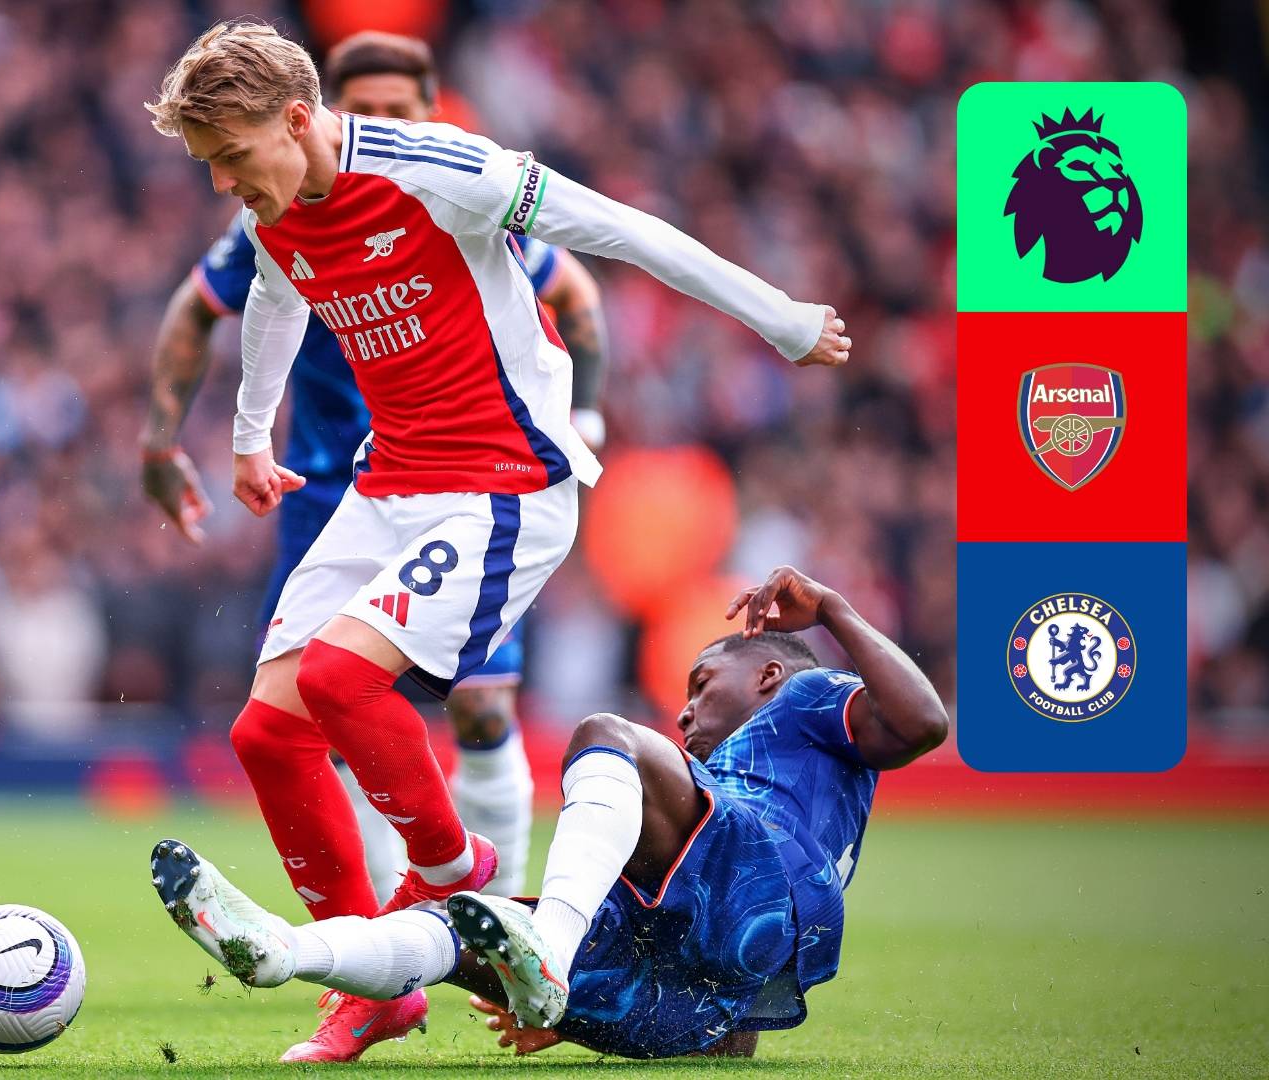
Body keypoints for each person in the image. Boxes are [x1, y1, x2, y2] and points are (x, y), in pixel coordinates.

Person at [144, 23, 850, 1061]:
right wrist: (251, 436)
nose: (223, 184)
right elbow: (274, 298)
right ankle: (374, 988)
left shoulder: (442, 172)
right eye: (209, 165)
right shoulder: (275, 208)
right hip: (386, 485)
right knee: (267, 735)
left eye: (232, 157)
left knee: (341, 679)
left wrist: (781, 317)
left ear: (296, 120)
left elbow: (623, 231)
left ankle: (452, 874)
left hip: (504, 485)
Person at [142, 28, 612, 920]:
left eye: (401, 111)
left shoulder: (451, 195)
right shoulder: (273, 205)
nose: (382, 123)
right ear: (317, 113)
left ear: (429, 114)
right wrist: (164, 441)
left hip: (476, 479)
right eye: (367, 108)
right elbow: (196, 309)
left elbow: (578, 291)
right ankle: (379, 946)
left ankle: (490, 912)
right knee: (304, 714)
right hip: (332, 488)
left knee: (477, 706)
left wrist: (580, 419)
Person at [151, 565, 948, 1060]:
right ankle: (284, 951)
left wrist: (833, 609)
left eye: (702, 685)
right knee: (456, 926)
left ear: (769, 675)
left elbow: (922, 724)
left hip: (752, 886)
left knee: (607, 736)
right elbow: (737, 1015)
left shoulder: (805, 699)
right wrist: (575, 1019)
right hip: (700, 1003)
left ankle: (551, 955)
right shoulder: (715, 802)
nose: (684, 712)